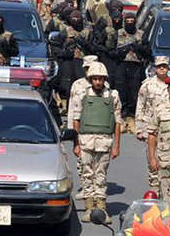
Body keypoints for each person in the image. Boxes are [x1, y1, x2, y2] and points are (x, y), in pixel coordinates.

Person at [70, 62, 121, 223]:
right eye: (95, 79)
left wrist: (117, 146)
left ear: (104, 79)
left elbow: (117, 122)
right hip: (85, 141)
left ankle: (101, 208)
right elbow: (76, 120)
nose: (98, 82)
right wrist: (76, 144)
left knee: (101, 175)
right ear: (91, 79)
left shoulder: (113, 95)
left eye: (101, 79)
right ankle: (89, 208)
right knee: (87, 175)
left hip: (105, 142)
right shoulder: (83, 95)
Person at [69, 55, 102, 200]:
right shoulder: (77, 85)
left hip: (97, 127)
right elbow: (72, 108)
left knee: (98, 161)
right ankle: (85, 186)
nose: (90, 71)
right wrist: (71, 129)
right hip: (81, 127)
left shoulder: (103, 85)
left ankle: (97, 188)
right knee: (82, 160)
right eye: (87, 68)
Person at [136, 56, 170, 190]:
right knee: (153, 163)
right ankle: (154, 192)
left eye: (165, 66)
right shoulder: (147, 85)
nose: (162, 68)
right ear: (155, 68)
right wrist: (139, 129)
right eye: (160, 66)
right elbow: (141, 106)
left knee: (167, 164)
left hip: (168, 128)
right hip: (151, 129)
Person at [114, 12, 149, 133]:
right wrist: (122, 51)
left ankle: (132, 119)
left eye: (131, 21)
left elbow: (148, 52)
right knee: (121, 92)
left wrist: (139, 48)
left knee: (134, 93)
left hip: (136, 66)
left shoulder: (141, 34)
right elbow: (111, 51)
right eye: (127, 21)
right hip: (122, 65)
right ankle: (121, 120)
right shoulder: (118, 33)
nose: (129, 23)